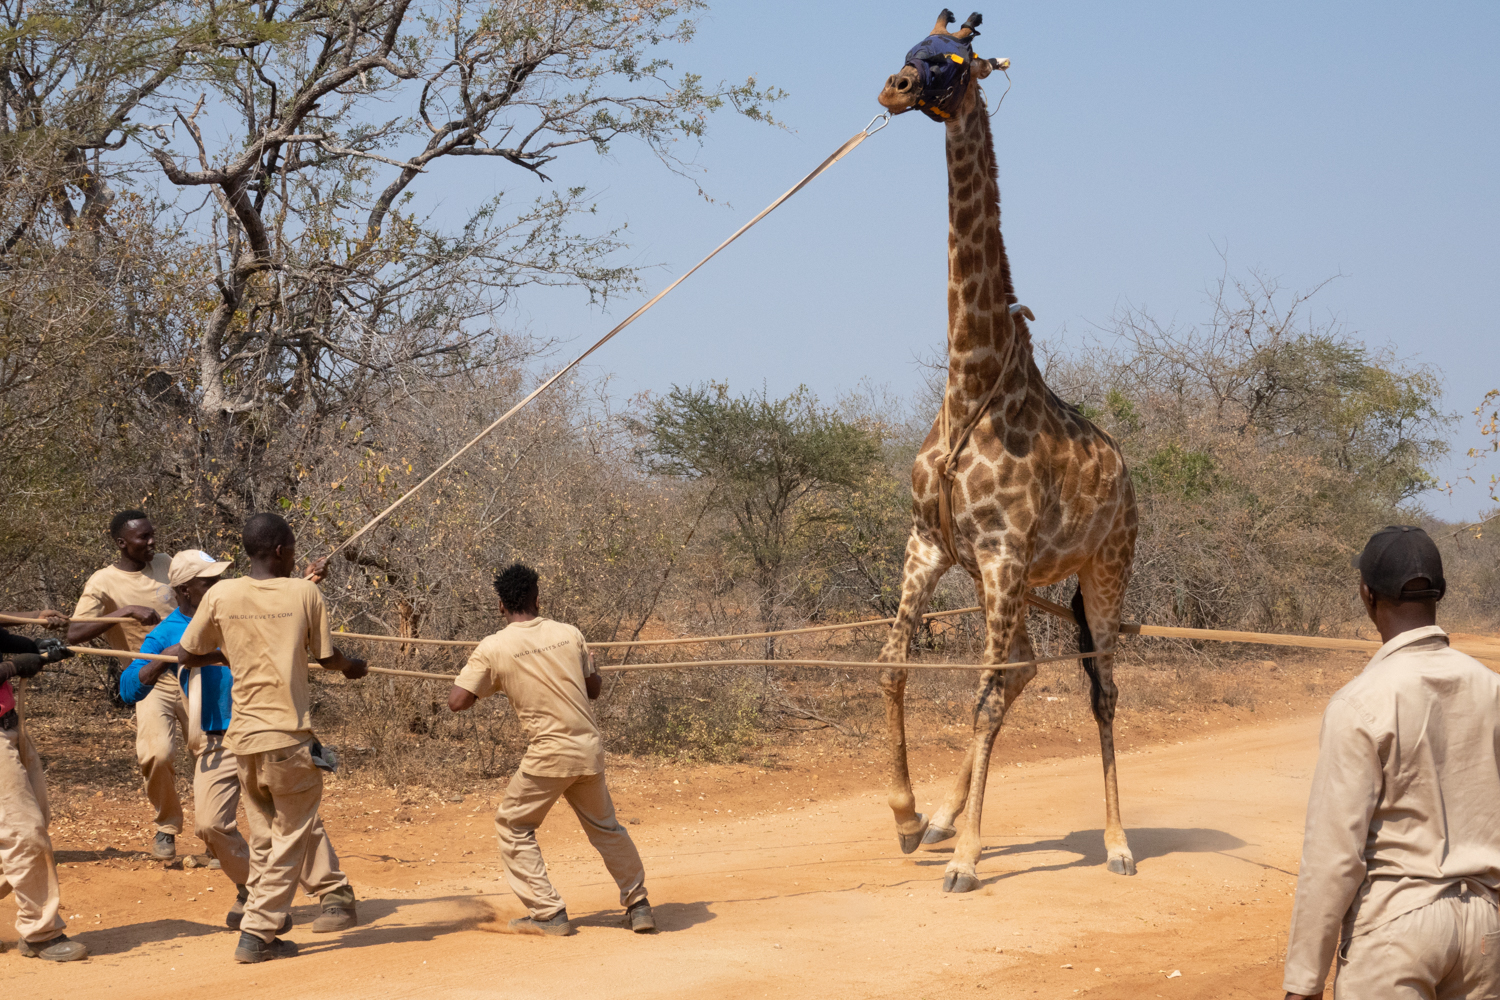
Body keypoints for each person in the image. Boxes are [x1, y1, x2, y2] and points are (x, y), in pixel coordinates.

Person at [1282, 525, 1500, 1000]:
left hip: (1395, 931)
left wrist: (1304, 980)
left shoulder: (1359, 703)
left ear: (1367, 594)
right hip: (1486, 933)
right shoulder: (1492, 689)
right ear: (1440, 592)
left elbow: (1335, 855)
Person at [121, 549, 359, 935]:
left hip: (267, 729)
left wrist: (304, 580)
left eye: (219, 579)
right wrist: (165, 658)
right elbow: (129, 688)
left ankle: (333, 893)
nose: (219, 585)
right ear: (184, 590)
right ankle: (256, 891)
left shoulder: (236, 604)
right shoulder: (168, 631)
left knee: (291, 814)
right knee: (210, 825)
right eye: (208, 581)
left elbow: (279, 606)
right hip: (216, 741)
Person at [178, 514, 367, 964]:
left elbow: (187, 652)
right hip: (287, 737)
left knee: (265, 838)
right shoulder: (306, 593)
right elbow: (327, 657)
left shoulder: (221, 594)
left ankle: (260, 920)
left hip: (242, 741)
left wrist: (230, 652)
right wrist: (353, 667)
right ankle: (258, 933)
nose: (296, 556)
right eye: (293, 548)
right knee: (291, 837)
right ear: (281, 550)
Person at [448, 563, 654, 937]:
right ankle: (638, 904)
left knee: (513, 825)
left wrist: (489, 681)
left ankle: (548, 913)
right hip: (588, 749)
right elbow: (593, 690)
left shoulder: (493, 647)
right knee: (606, 828)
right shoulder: (569, 633)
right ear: (537, 599)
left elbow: (457, 702)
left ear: (500, 605)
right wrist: (591, 668)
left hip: (549, 754)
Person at [69, 509, 183, 860]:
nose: (152, 542)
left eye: (152, 534)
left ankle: (218, 831)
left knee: (211, 747)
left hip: (194, 672)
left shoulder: (166, 563)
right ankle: (167, 826)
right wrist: (124, 612)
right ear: (122, 543)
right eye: (143, 537)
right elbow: (73, 632)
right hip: (149, 679)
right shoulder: (103, 582)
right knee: (156, 754)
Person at [0, 610, 88, 961]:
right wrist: (13, 666)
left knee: (35, 820)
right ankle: (40, 932)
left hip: (10, 726)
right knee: (25, 831)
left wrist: (35, 642)